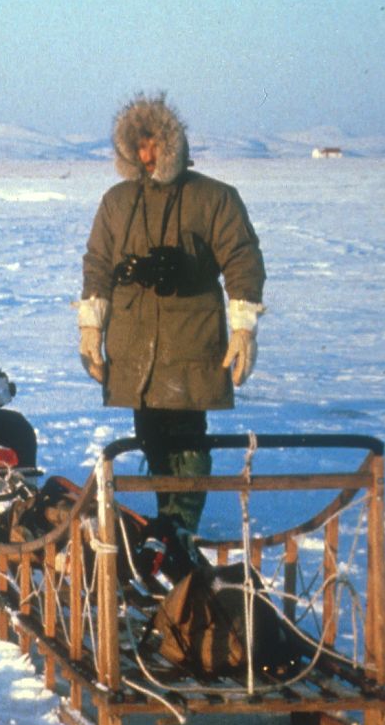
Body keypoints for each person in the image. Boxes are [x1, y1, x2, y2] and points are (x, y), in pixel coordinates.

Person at [78, 93, 266, 533]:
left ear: (171, 143)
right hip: (134, 340)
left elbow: (242, 258)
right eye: (137, 145)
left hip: (189, 337)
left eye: (153, 144)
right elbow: (98, 263)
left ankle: (179, 530)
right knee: (151, 435)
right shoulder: (117, 201)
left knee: (187, 438)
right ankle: (167, 527)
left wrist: (243, 328)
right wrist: (91, 326)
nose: (146, 155)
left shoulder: (213, 197)